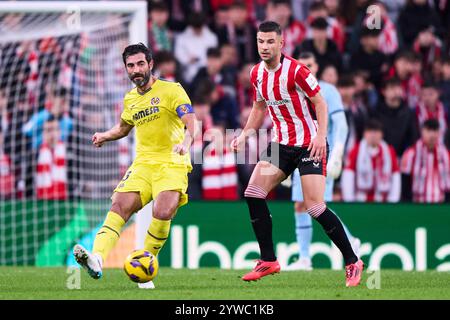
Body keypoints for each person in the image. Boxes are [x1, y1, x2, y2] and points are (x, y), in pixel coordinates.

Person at [231, 21, 363, 287]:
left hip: (308, 144)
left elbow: (320, 102)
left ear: (281, 43)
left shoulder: (297, 71)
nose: (265, 47)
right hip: (281, 145)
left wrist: (320, 136)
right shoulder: (256, 73)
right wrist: (245, 134)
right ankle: (268, 260)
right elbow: (258, 108)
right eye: (260, 41)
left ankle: (352, 261)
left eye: (270, 41)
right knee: (253, 193)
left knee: (314, 206)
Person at [73, 43, 198, 289]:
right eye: (131, 66)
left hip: (171, 162)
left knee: (163, 211)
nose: (136, 70)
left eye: (140, 64)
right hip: (143, 164)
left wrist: (186, 142)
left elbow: (193, 122)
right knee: (119, 205)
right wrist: (105, 135)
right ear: (126, 69)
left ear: (150, 64)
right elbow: (123, 127)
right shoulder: (130, 99)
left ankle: (145, 266)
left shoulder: (172, 90)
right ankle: (97, 259)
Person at [286, 52, 360, 271]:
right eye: (302, 65)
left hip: (320, 153)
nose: (306, 69)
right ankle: (305, 259)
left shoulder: (327, 91)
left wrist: (337, 154)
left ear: (316, 66)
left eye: (310, 65)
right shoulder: (293, 91)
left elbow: (342, 125)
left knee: (316, 205)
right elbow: (284, 127)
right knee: (302, 205)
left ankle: (348, 242)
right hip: (299, 153)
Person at [341, 120, 401, 203]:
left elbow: (395, 177)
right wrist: (349, 200)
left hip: (384, 202)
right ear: (364, 134)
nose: (373, 135)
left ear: (382, 134)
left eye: (376, 132)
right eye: (370, 131)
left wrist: (393, 201)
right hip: (360, 202)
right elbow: (348, 176)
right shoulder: (356, 150)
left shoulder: (389, 151)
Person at [401, 119, 450, 203]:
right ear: (422, 131)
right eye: (428, 130)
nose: (432, 135)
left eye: (435, 130)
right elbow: (405, 183)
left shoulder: (445, 154)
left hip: (440, 204)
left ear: (439, 133)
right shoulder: (411, 153)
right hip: (417, 203)